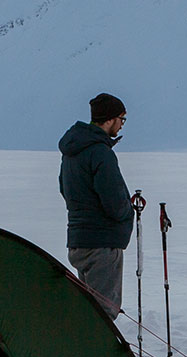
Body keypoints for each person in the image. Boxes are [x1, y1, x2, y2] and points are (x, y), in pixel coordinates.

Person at [59, 92, 141, 314]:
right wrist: (127, 213)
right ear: (110, 119)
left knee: (88, 311)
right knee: (103, 314)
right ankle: (93, 348)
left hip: (79, 240)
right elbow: (114, 203)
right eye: (121, 119)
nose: (122, 125)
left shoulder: (72, 152)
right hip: (102, 243)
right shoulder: (100, 153)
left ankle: (81, 345)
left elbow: (65, 190)